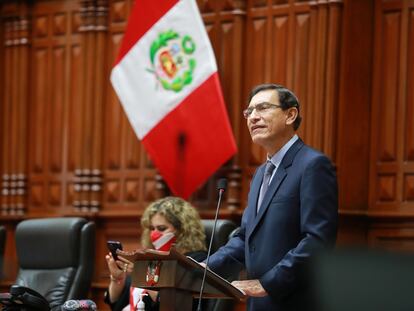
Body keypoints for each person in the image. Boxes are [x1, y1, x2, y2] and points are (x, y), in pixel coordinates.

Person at [207, 84, 338, 311]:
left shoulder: (313, 165)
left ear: (290, 115)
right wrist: (202, 267)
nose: (253, 117)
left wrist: (267, 283)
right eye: (249, 112)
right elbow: (246, 237)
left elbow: (317, 240)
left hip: (295, 302)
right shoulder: (260, 174)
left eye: (263, 108)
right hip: (259, 304)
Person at [104, 196, 207, 311]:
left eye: (161, 228)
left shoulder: (196, 261)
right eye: (152, 228)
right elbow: (116, 303)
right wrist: (117, 278)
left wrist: (141, 275)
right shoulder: (149, 259)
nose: (154, 234)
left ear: (182, 231)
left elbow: (174, 305)